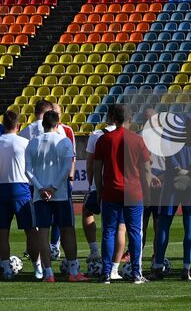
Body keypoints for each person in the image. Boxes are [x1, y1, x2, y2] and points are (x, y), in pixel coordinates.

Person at [94, 102, 153, 284]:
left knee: (109, 232)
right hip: (133, 192)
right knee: (135, 233)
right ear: (130, 118)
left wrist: (99, 189)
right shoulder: (137, 140)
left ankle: (106, 273)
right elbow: (146, 171)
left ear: (112, 118)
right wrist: (148, 191)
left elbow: (97, 169)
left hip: (111, 190)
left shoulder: (104, 139)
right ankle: (136, 273)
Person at [27, 108, 87, 281]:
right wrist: (53, 188)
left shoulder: (33, 143)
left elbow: (27, 171)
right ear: (57, 123)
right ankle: (73, 271)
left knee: (43, 233)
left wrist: (41, 188)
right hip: (59, 193)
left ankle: (48, 273)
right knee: (68, 230)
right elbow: (67, 168)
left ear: (43, 124)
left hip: (40, 194)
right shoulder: (65, 142)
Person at [154, 103, 191, 280]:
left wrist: (177, 168)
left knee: (164, 223)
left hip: (172, 179)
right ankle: (186, 268)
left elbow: (165, 150)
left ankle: (158, 265)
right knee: (190, 223)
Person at [0, 110, 33, 278]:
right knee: (31, 230)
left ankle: (6, 269)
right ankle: (37, 267)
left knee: (1, 231)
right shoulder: (25, 142)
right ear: (18, 125)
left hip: (0, 188)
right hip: (21, 187)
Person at [82, 106, 117, 270]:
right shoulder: (130, 135)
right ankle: (116, 262)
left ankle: (95, 250)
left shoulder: (96, 135)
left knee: (88, 212)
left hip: (99, 184)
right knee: (120, 224)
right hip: (120, 185)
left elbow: (90, 163)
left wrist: (91, 183)